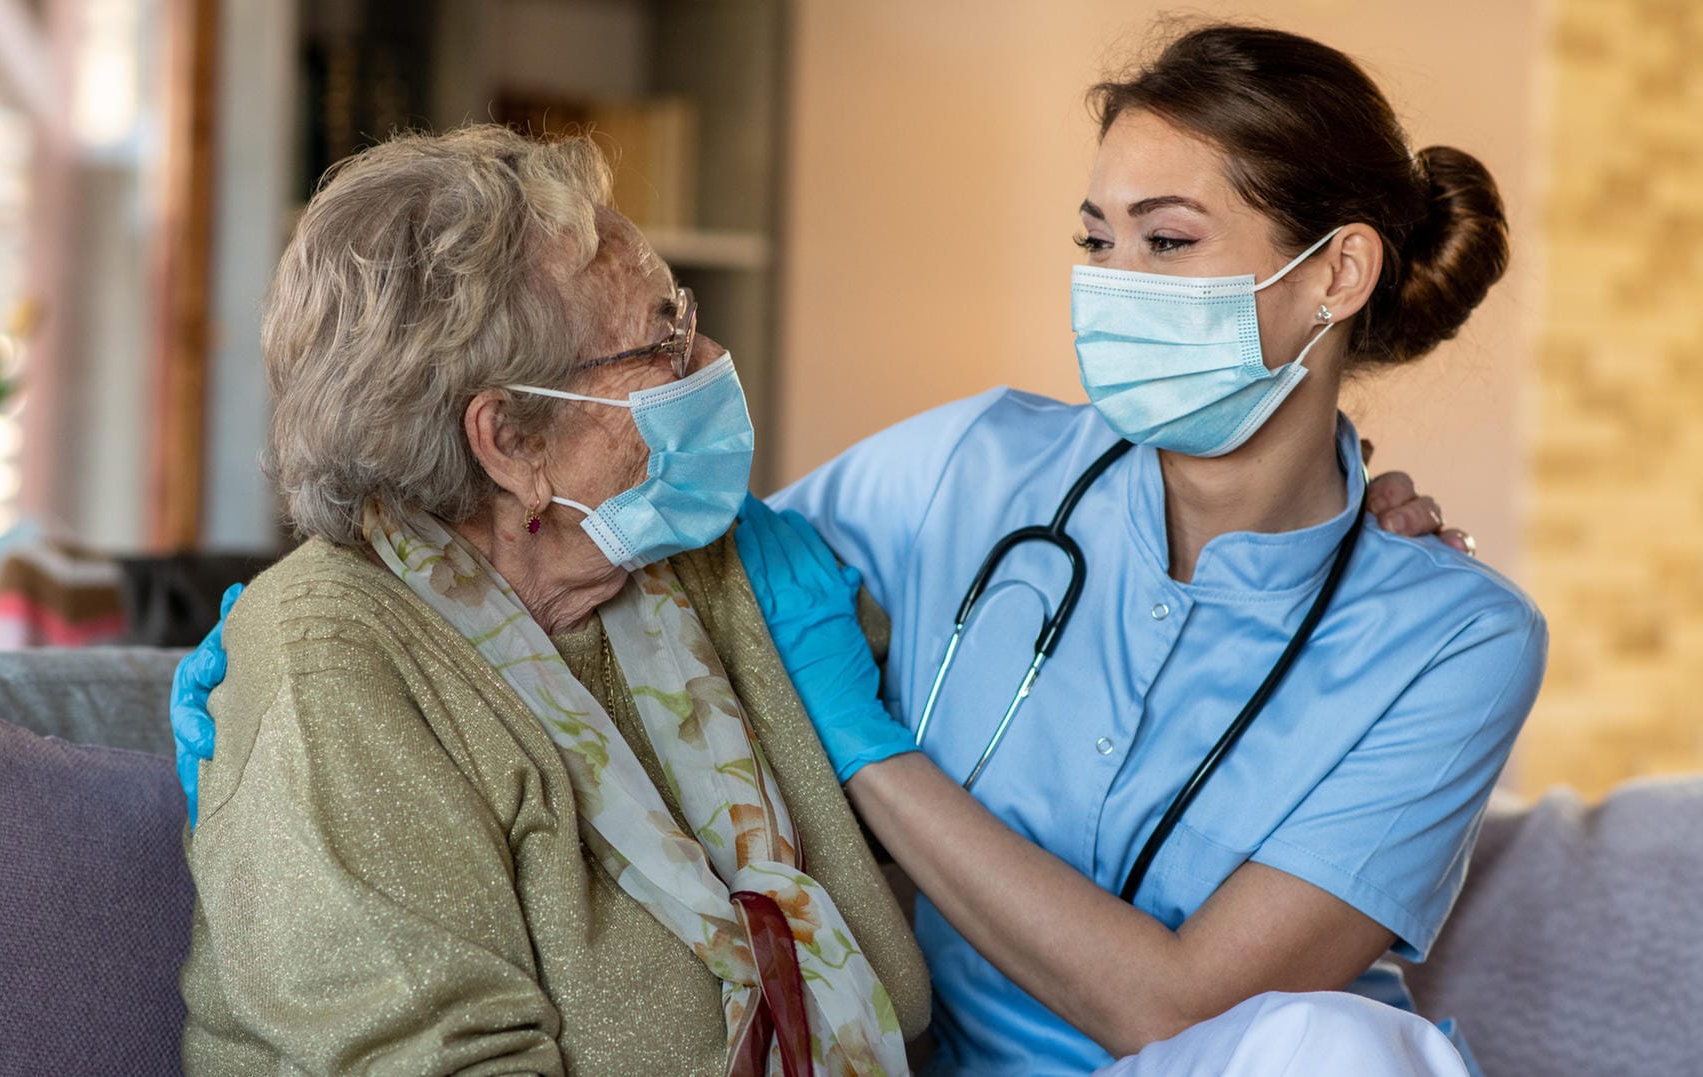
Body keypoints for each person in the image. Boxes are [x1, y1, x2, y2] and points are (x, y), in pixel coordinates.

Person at [738, 23, 1546, 1076]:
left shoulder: (1455, 639)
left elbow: (1178, 1010)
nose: (1115, 283)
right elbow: (694, 577)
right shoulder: (972, 467)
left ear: (1337, 273)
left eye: (1166, 242)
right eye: (1096, 242)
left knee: (1333, 1051)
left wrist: (865, 746)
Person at [173, 126, 930, 1075]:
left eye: (684, 314)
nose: (711, 357)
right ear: (511, 443)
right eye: (665, 338)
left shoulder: (686, 560)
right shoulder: (332, 663)